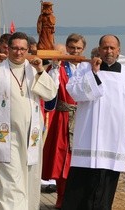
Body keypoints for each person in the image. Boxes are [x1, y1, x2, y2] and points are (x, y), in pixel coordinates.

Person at [62, 34, 125, 210]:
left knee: (104, 191)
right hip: (87, 140)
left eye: (112, 48)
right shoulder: (84, 68)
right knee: (80, 189)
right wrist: (93, 73)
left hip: (113, 140)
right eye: (105, 47)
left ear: (119, 50)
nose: (109, 51)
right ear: (99, 49)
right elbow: (74, 93)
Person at [0, 32, 58, 209]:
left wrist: (39, 70)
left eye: (23, 49)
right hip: (7, 136)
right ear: (8, 48)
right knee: (11, 183)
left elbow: (50, 93)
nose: (18, 52)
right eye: (14, 48)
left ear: (28, 49)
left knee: (30, 180)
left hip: (32, 136)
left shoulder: (33, 70)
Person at [42, 33, 86, 208]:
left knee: (80, 158)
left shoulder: (88, 67)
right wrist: (53, 67)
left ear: (83, 49)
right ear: (67, 49)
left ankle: (78, 197)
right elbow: (51, 91)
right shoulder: (59, 68)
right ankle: (61, 196)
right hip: (63, 117)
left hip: (83, 118)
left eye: (78, 48)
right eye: (72, 48)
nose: (75, 51)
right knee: (62, 158)